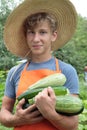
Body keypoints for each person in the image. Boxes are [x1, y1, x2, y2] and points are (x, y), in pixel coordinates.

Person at [0, 0, 79, 130]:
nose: (36, 39)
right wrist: (17, 119)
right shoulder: (15, 71)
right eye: (31, 32)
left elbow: (73, 125)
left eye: (42, 32)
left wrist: (50, 114)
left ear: (53, 36)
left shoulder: (67, 71)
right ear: (26, 36)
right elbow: (4, 113)